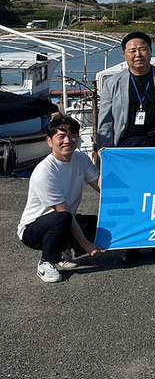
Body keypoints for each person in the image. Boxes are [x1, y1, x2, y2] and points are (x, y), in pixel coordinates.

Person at [96, 31, 155, 265]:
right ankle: (130, 245)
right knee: (131, 198)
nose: (138, 54)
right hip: (127, 146)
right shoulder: (113, 82)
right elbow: (105, 120)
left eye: (143, 49)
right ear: (124, 54)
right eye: (132, 50)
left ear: (151, 51)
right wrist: (105, 151)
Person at [18, 115, 105, 283]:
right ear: (49, 141)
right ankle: (46, 262)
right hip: (32, 230)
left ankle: (62, 252)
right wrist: (87, 245)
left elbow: (100, 186)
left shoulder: (81, 159)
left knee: (96, 224)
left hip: (62, 221)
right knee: (63, 218)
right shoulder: (45, 171)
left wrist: (107, 164)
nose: (68, 140)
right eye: (61, 136)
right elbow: (63, 212)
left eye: (73, 135)